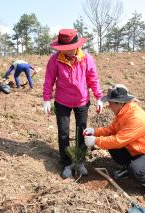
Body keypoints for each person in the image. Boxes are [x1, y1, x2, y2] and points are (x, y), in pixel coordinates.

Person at [83, 84, 145, 203]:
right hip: (136, 149)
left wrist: (96, 141)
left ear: (119, 103)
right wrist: (95, 131)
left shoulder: (135, 118)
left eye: (111, 102)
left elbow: (118, 140)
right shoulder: (123, 112)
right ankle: (128, 169)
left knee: (135, 169)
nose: (109, 105)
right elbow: (112, 130)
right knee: (111, 144)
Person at [43, 29, 104, 179]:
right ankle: (66, 163)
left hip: (82, 101)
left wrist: (99, 97)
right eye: (63, 48)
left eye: (69, 48)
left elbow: (93, 79)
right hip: (62, 101)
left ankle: (80, 161)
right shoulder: (55, 59)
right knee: (63, 133)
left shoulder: (86, 58)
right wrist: (46, 99)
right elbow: (49, 80)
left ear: (76, 45)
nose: (67, 51)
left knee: (81, 132)